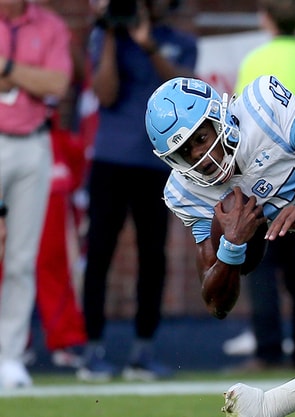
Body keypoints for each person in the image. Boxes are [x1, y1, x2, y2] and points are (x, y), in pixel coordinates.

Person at [78, 0, 196, 382]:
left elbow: (180, 92)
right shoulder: (106, 36)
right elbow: (105, 93)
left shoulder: (179, 40)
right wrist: (111, 32)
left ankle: (143, 350)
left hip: (155, 164)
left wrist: (148, 46)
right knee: (99, 253)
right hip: (111, 161)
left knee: (152, 257)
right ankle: (91, 348)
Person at [225, 0, 295, 371]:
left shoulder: (256, 60)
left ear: (265, 18)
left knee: (262, 269)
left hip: (264, 183)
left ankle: (267, 350)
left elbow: (240, 126)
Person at [0, 0, 72, 389]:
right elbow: (41, 81)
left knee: (21, 257)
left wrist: (8, 69)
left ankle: (9, 356)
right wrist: (31, 76)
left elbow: (57, 84)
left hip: (32, 143)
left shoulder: (50, 25)